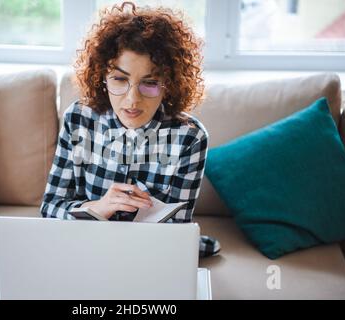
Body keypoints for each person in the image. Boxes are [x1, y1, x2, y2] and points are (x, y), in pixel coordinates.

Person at [40, 1, 220, 257]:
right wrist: (97, 208)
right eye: (120, 79)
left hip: (148, 255)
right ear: (101, 77)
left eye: (150, 82)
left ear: (169, 83)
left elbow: (175, 234)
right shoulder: (78, 119)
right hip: (85, 248)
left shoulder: (190, 137)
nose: (132, 100)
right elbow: (50, 208)